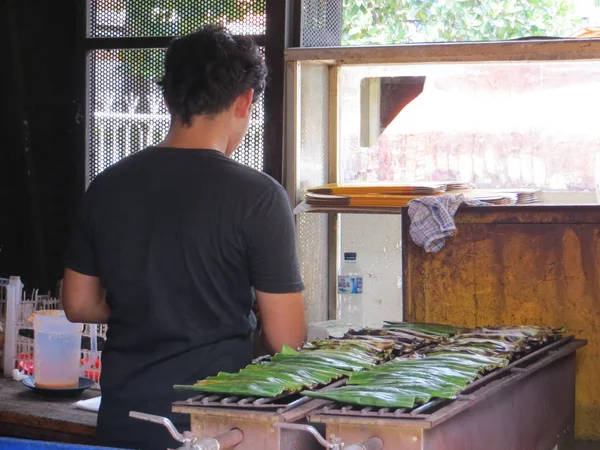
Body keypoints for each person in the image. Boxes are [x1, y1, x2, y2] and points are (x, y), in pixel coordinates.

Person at [62, 25, 307, 450]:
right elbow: (287, 339)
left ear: (168, 97)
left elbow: (78, 303)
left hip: (125, 418)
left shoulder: (107, 185)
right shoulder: (259, 196)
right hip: (216, 427)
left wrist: (146, 307)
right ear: (244, 100)